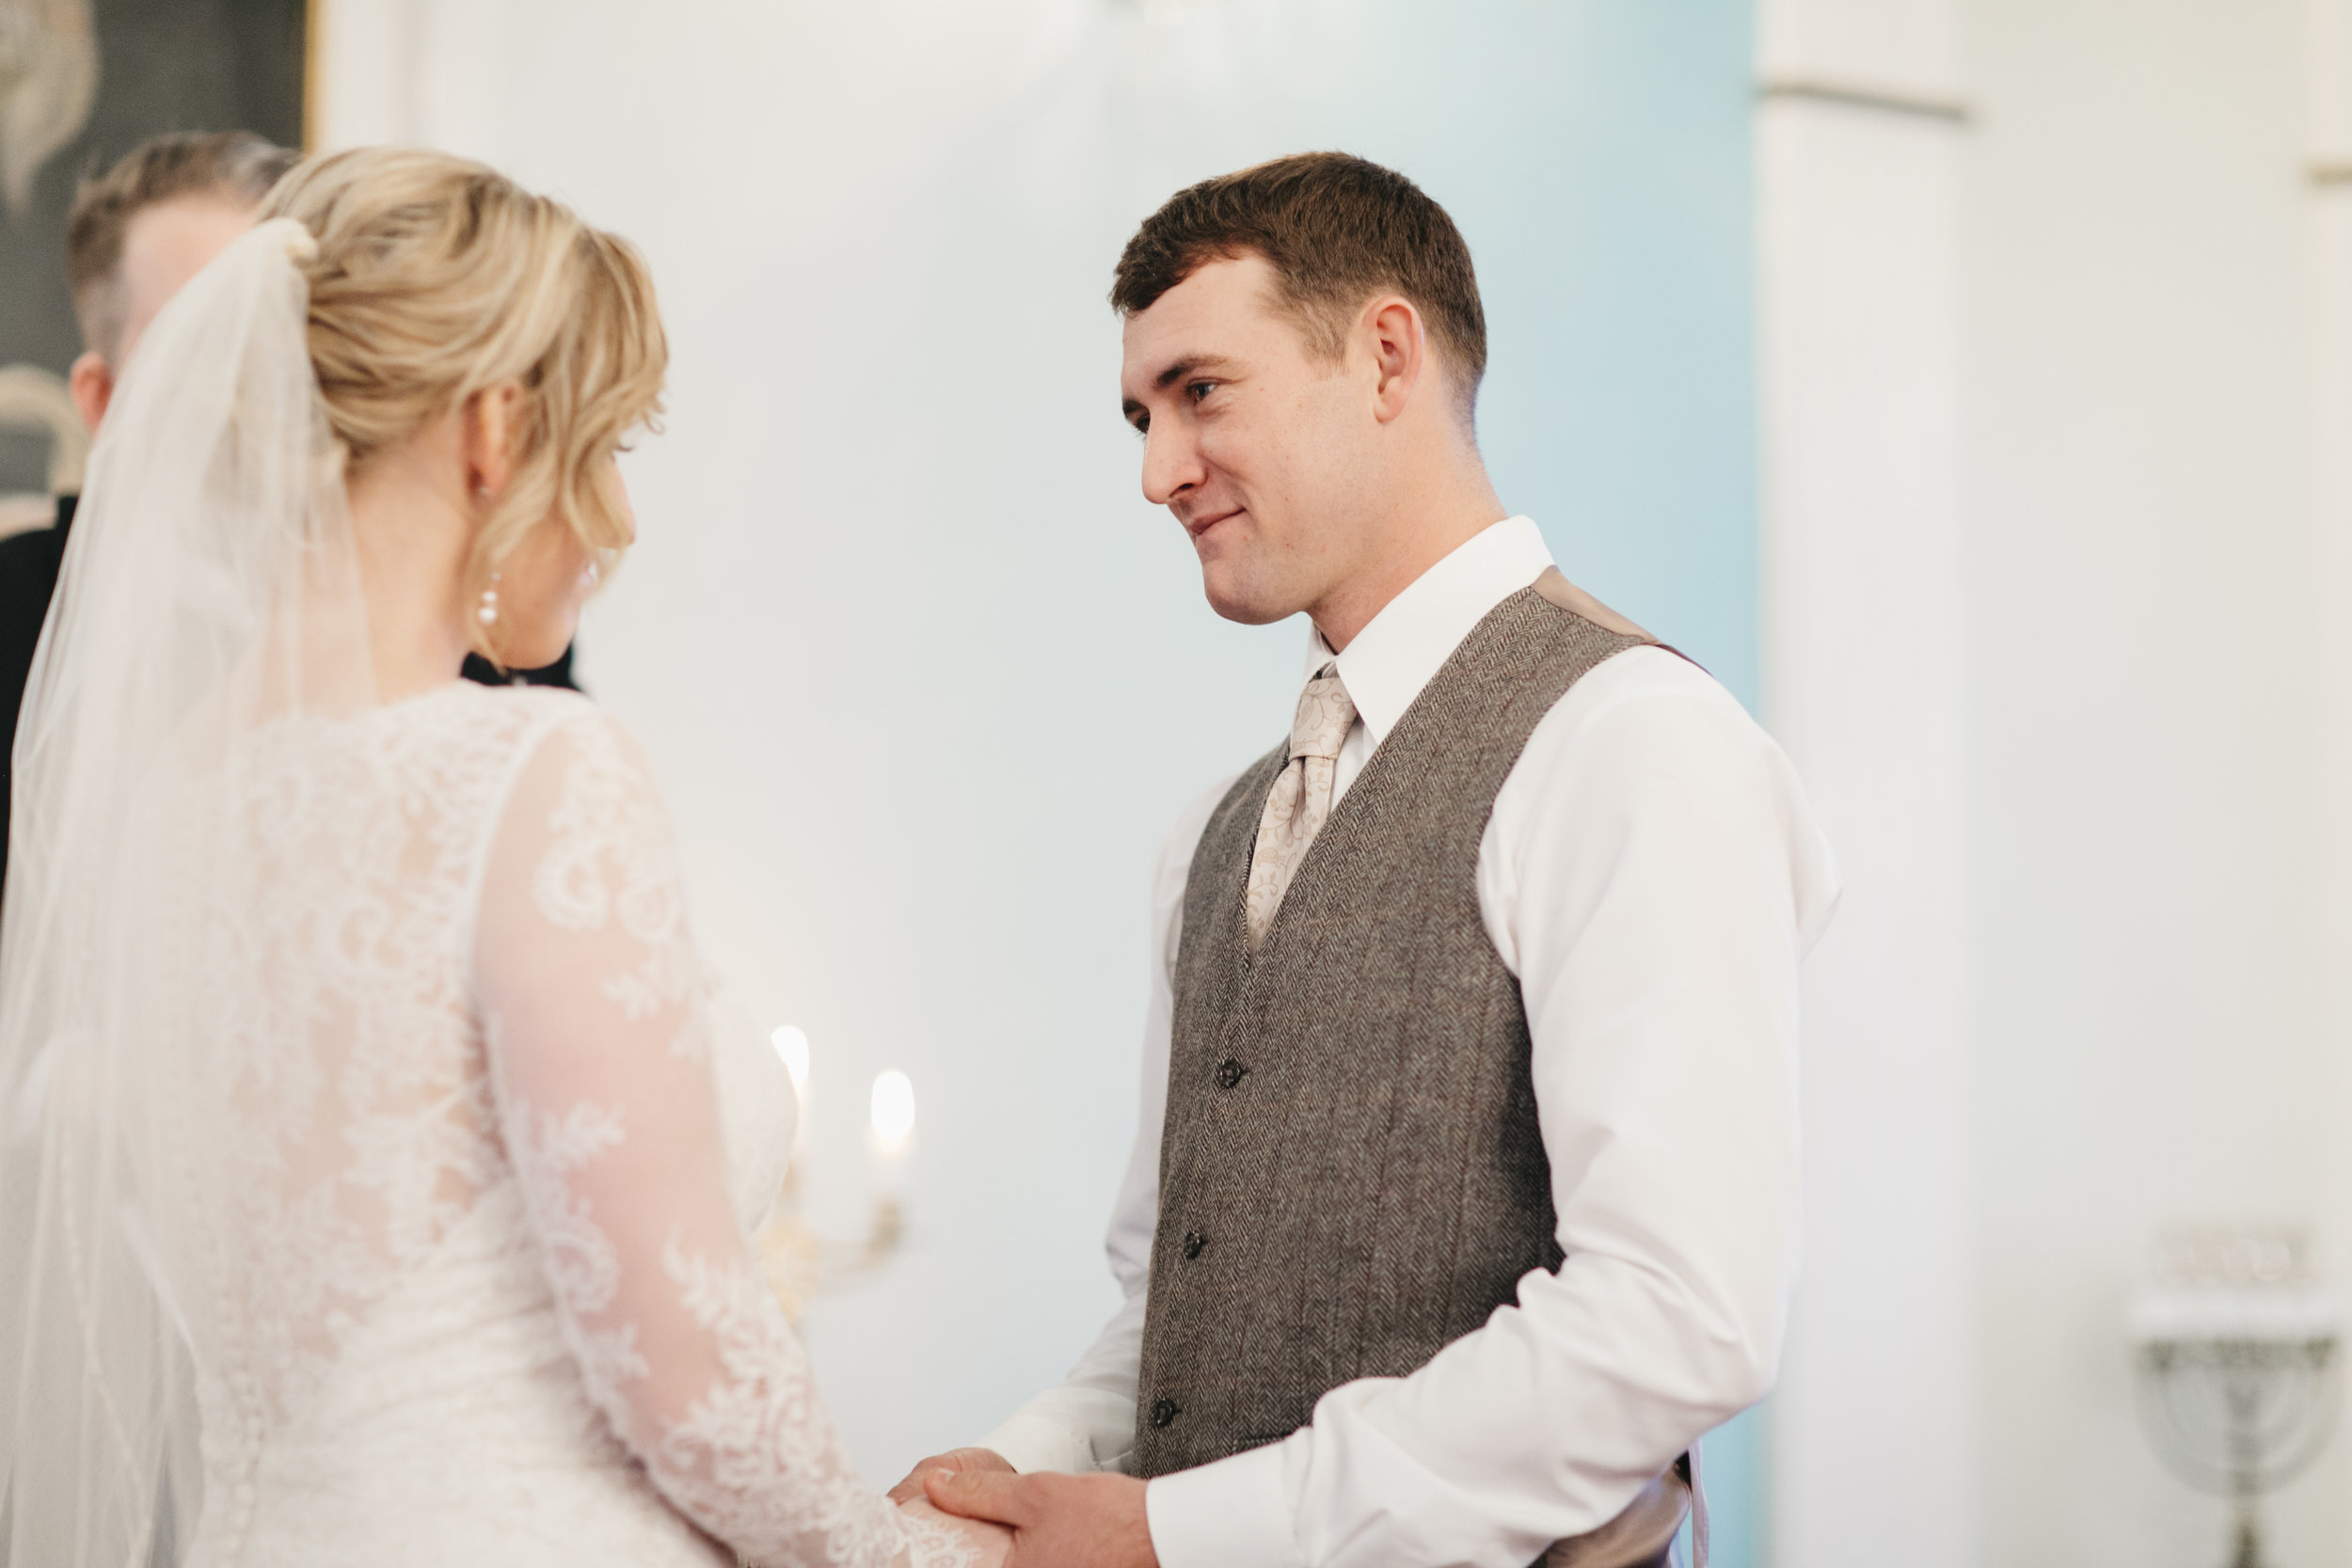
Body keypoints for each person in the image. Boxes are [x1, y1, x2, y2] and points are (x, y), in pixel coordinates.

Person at [0, 148, 1004, 1567]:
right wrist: (915, 1554)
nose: (622, 517)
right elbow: (691, 1376)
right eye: (602, 447)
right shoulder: (529, 768)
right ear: (491, 430)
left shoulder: (162, 808)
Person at [907, 153, 1840, 1568]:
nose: (1158, 472)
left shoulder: (1634, 742)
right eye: (1139, 416)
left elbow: (1675, 1313)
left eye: (1201, 391)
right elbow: (1182, 1306)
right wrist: (1017, 1474)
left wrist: (1178, 1532)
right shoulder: (1214, 834)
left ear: (1385, 354)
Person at [0, 131, 575, 911]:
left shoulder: (472, 595)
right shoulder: (13, 606)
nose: (266, 374)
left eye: (294, 331)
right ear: (104, 402)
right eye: (204, 335)